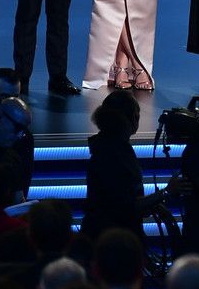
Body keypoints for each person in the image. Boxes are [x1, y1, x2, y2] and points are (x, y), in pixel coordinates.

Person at [80, 91, 187, 242]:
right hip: (115, 242)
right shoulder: (114, 155)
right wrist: (166, 192)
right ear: (131, 118)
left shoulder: (107, 146)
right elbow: (127, 207)